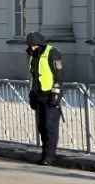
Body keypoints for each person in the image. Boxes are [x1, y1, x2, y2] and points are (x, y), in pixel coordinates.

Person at [26, 31, 65, 166]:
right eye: (31, 45)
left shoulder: (52, 52)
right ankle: (44, 154)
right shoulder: (32, 55)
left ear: (40, 43)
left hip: (50, 95)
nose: (32, 48)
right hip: (38, 95)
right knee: (41, 127)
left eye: (34, 45)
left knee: (50, 127)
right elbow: (34, 76)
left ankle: (50, 156)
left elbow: (59, 75)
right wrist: (32, 94)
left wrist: (56, 94)